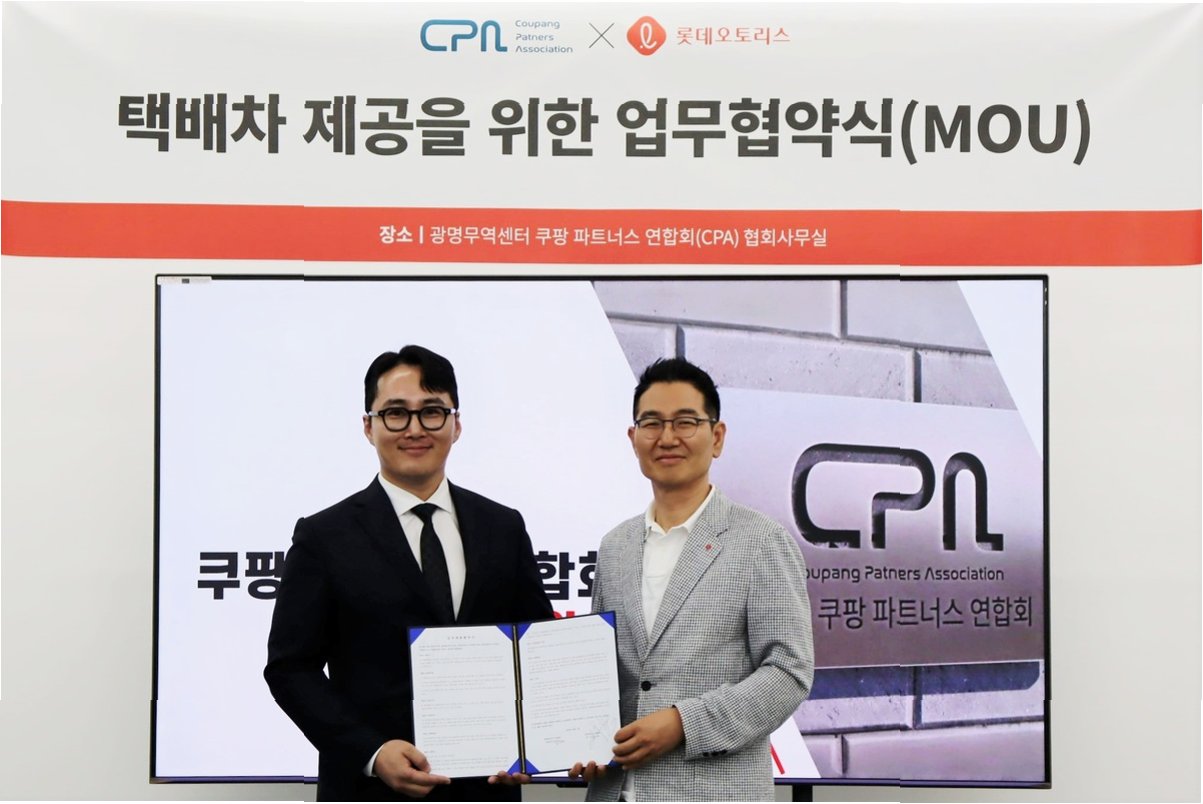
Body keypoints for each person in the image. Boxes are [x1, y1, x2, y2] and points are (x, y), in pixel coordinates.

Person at [264, 345, 554, 801]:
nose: (415, 428)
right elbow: (290, 669)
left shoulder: (503, 527)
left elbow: (537, 650)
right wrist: (372, 751)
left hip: (486, 788)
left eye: (432, 412)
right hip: (369, 790)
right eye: (396, 413)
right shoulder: (324, 536)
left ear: (456, 424)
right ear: (369, 426)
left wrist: (537, 743)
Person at [571, 358, 814, 801]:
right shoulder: (615, 546)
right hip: (616, 792)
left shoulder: (761, 541)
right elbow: (602, 674)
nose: (667, 438)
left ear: (716, 437)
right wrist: (578, 738)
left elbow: (788, 672)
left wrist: (684, 723)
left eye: (685, 422)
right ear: (633, 438)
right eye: (651, 423)